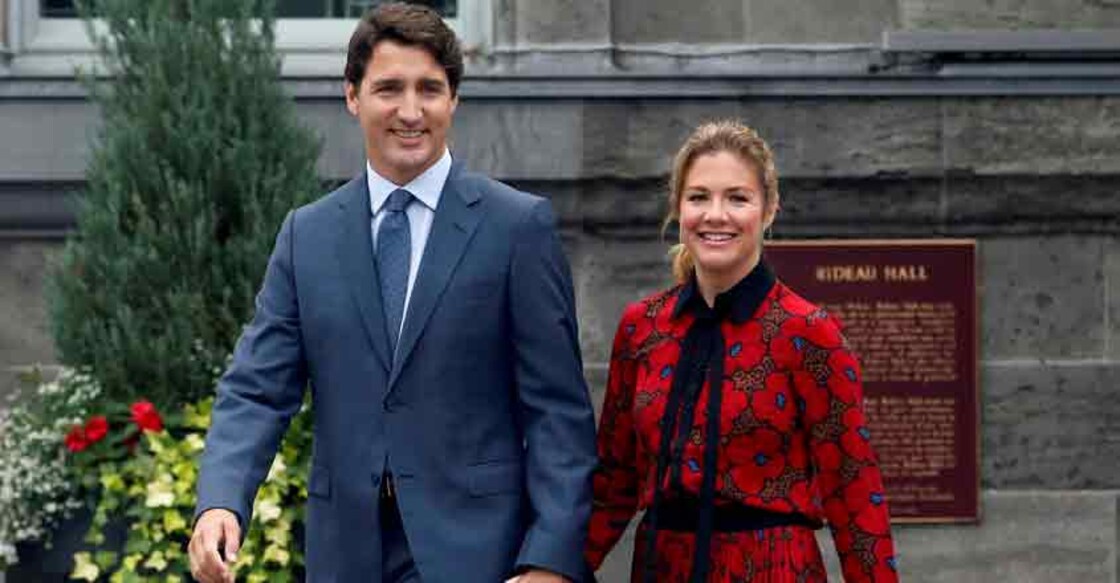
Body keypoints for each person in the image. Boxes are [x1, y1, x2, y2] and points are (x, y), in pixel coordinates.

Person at [187, 4, 597, 582]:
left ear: (453, 99)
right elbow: (256, 390)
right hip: (345, 553)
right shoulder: (308, 235)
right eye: (389, 89)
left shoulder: (516, 228)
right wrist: (221, 502)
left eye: (429, 89)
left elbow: (558, 414)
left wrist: (549, 562)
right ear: (352, 96)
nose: (411, 111)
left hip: (478, 555)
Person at [583, 121, 899, 582]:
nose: (716, 215)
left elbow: (853, 490)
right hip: (661, 568)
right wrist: (554, 568)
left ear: (769, 210)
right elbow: (614, 479)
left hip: (772, 568)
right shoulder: (642, 328)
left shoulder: (807, 332)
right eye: (698, 197)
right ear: (678, 209)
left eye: (737, 198)